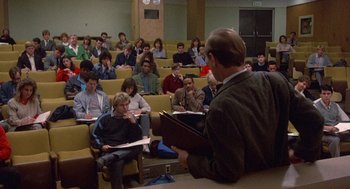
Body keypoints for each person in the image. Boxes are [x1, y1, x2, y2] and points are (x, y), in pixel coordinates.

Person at [172, 28, 323, 183]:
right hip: (281, 179)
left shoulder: (220, 106)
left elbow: (228, 171)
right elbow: (315, 120)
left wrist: (189, 160)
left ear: (212, 58)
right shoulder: (275, 81)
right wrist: (300, 152)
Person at [91, 92, 142, 189]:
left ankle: (111, 157)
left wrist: (133, 124)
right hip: (110, 148)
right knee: (117, 162)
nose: (126, 108)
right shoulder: (105, 118)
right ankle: (112, 157)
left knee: (139, 147)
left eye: (127, 104)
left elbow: (137, 138)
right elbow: (94, 135)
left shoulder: (130, 118)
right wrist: (101, 146)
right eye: (122, 105)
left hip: (125, 149)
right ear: (115, 106)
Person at [314, 85, 350, 158]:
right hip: (323, 133)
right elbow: (313, 125)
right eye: (324, 94)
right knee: (335, 140)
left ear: (331, 94)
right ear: (320, 94)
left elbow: (346, 119)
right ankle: (336, 161)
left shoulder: (335, 105)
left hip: (336, 131)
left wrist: (344, 127)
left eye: (328, 94)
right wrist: (327, 128)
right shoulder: (315, 106)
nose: (326, 96)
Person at [121, 78, 151, 152]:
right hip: (125, 118)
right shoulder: (120, 96)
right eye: (128, 88)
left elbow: (148, 108)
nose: (130, 90)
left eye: (131, 88)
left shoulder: (137, 96)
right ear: (124, 88)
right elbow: (113, 110)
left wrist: (140, 110)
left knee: (145, 116)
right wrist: (125, 113)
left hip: (136, 118)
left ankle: (144, 143)